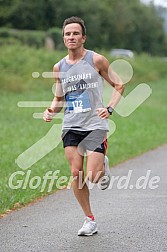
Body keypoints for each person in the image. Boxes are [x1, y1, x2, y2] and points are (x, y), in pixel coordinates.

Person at [43, 16, 124, 236]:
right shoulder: (59, 67)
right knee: (76, 173)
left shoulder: (96, 60)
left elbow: (119, 85)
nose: (71, 37)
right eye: (67, 34)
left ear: (83, 37)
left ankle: (102, 166)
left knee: (94, 176)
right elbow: (59, 98)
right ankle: (89, 219)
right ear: (63, 38)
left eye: (75, 33)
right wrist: (51, 110)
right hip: (71, 125)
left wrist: (109, 109)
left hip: (95, 124)